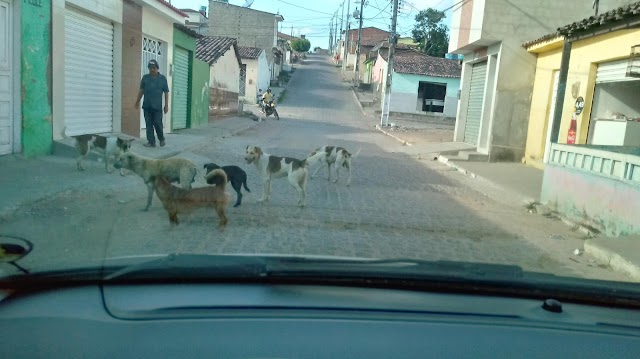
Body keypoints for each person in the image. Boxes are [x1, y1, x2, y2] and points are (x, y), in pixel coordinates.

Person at [135, 59, 169, 147]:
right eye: (150, 68)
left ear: (157, 68)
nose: (152, 70)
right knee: (148, 125)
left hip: (157, 107)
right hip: (147, 106)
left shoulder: (162, 79)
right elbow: (141, 91)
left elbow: (166, 92)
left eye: (153, 68)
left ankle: (161, 138)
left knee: (157, 123)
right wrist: (137, 101)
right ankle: (151, 142)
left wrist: (166, 105)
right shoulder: (145, 78)